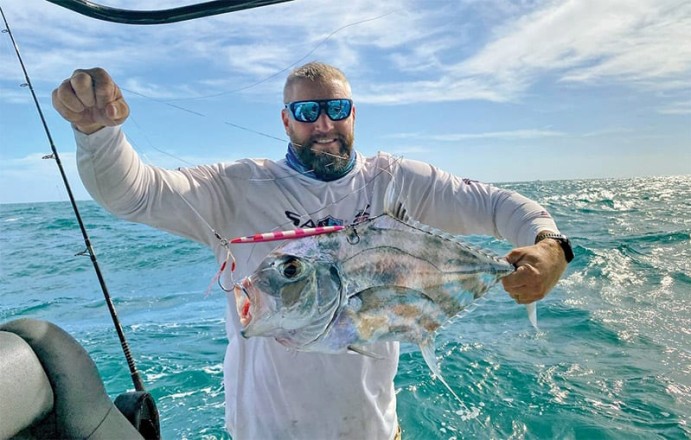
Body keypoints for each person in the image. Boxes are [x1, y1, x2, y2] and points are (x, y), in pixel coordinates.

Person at [52, 62, 571, 439]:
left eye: (336, 109)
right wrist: (98, 135)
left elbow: (496, 205)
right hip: (264, 432)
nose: (323, 124)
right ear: (285, 120)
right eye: (306, 111)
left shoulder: (395, 180)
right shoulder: (235, 188)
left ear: (353, 114)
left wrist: (551, 244)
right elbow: (135, 193)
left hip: (373, 429)